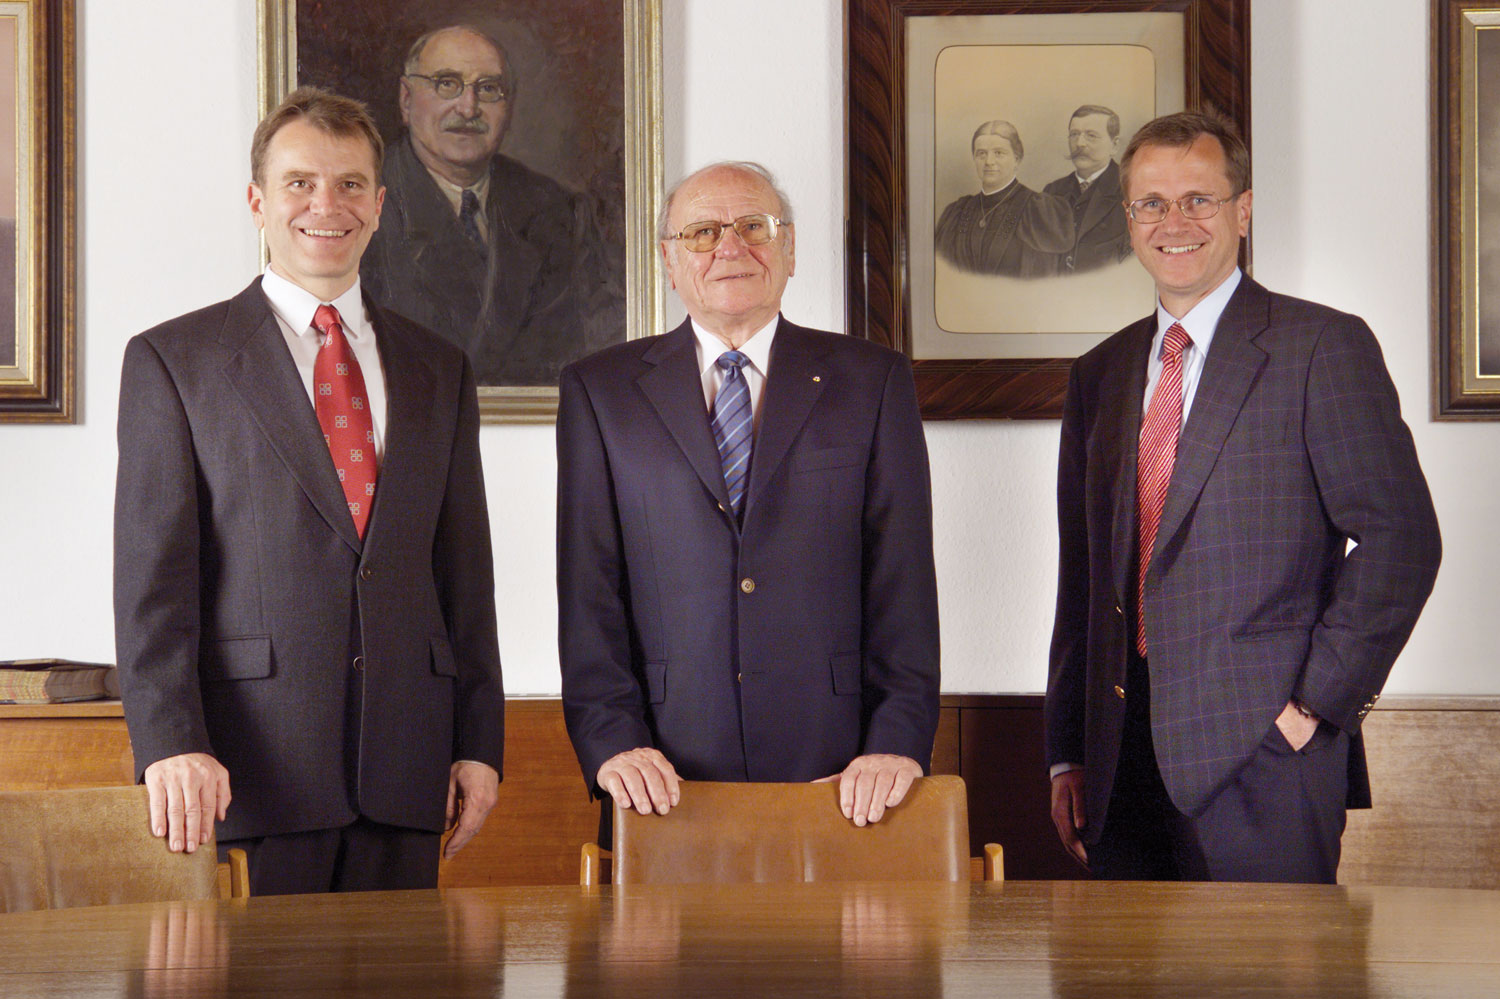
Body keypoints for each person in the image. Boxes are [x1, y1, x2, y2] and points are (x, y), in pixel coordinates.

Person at [114, 87, 505, 895]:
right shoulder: (174, 361)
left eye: (351, 183)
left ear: (380, 202)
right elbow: (153, 584)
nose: (326, 203)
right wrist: (169, 740)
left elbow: (465, 578)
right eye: (299, 182)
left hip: (409, 765)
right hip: (248, 764)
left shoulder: (439, 366)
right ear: (258, 202)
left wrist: (479, 741)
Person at [1045, 110, 1441, 883]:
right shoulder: (1100, 372)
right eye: (1151, 204)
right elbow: (1083, 580)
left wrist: (1311, 708)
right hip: (1116, 763)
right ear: (1128, 219)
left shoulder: (1320, 347)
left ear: (1244, 210)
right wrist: (1068, 748)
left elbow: (1402, 540)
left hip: (1264, 761)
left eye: (1200, 198)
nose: (1175, 222)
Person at [557, 161, 940, 828]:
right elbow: (589, 589)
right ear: (669, 261)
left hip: (843, 778)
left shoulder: (872, 382)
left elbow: (902, 582)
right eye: (703, 232)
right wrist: (613, 741)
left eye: (754, 227)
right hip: (660, 780)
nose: (730, 247)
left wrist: (895, 742)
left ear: (790, 250)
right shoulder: (601, 391)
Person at [361, 24, 618, 386]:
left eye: (488, 89)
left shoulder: (560, 212)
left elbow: (596, 352)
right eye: (446, 83)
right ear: (406, 99)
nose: (468, 108)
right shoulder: (362, 207)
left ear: (508, 108)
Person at [934, 120, 1074, 277]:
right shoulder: (956, 212)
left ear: (1016, 159)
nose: (989, 162)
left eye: (999, 153)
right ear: (974, 158)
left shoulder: (1037, 211)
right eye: (981, 153)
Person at [1042, 105, 1132, 273]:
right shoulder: (1052, 192)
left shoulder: (1130, 190)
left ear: (1114, 145)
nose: (1080, 144)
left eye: (1091, 136)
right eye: (1074, 135)